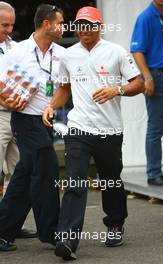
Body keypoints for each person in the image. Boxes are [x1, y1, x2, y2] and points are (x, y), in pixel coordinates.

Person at [43, 6, 145, 261]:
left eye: (89, 25)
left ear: (99, 27)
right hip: (79, 129)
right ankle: (67, 238)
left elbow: (139, 83)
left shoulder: (116, 52)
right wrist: (51, 106)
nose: (84, 30)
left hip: (110, 130)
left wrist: (117, 90)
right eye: (79, 25)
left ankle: (114, 224)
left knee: (111, 181)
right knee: (75, 182)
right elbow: (65, 89)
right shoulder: (68, 55)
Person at [0, 4, 65, 251]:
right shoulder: (18, 52)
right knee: (47, 168)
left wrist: (54, 105)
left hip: (45, 120)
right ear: (46, 24)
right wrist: (5, 100)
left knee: (24, 177)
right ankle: (52, 232)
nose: (64, 27)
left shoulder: (61, 53)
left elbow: (63, 87)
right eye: (60, 22)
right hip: (24, 120)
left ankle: (3, 230)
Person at [0, 1, 37, 240]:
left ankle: (10, 224)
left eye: (11, 25)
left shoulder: (15, 47)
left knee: (20, 171)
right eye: (4, 25)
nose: (9, 30)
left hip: (18, 116)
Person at [130, 0, 163, 186]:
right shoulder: (146, 18)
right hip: (156, 76)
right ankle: (154, 173)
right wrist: (147, 77)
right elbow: (137, 50)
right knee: (156, 127)